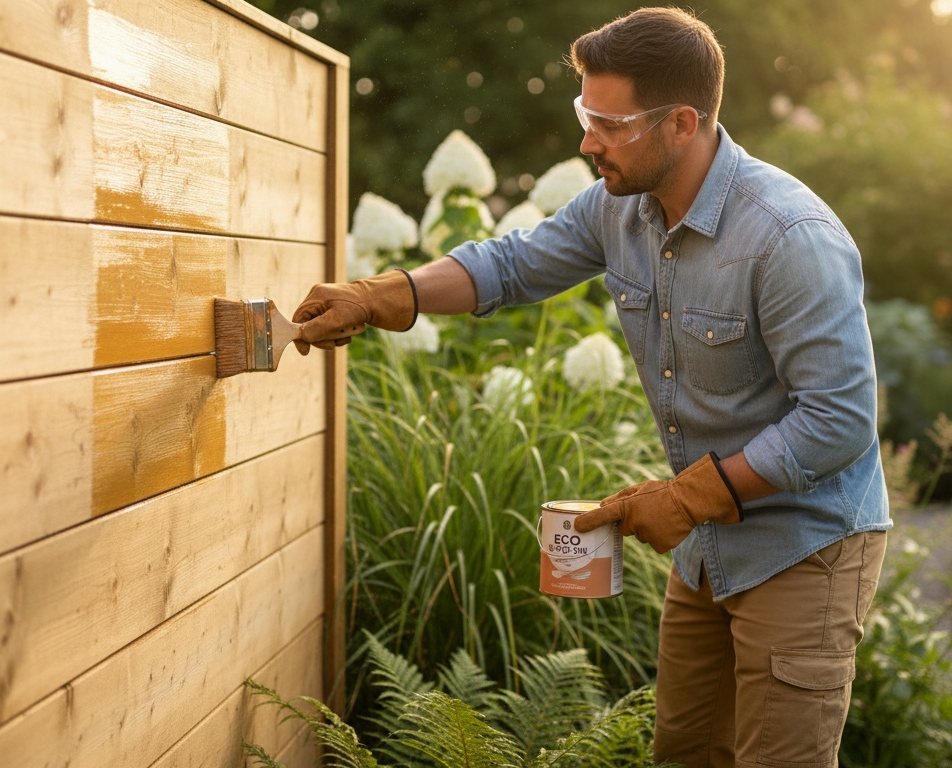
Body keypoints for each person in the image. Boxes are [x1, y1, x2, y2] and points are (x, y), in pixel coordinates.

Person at [295, 7, 891, 767]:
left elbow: (838, 422)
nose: (586, 142)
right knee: (683, 753)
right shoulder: (620, 209)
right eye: (586, 115)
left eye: (608, 122)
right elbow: (509, 265)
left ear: (682, 123)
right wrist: (376, 296)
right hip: (709, 548)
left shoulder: (788, 237)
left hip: (806, 546)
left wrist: (682, 499)